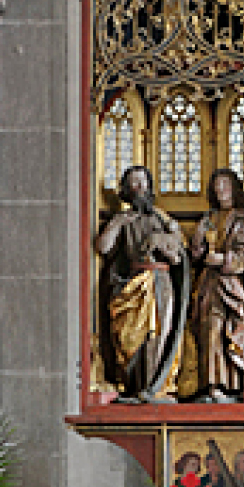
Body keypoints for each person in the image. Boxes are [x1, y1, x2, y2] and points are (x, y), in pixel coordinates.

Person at [94, 165, 189, 403]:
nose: (139, 187)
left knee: (160, 334)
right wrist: (116, 224)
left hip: (161, 281)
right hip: (134, 283)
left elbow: (178, 258)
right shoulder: (122, 219)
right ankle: (133, 386)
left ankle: (156, 388)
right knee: (131, 338)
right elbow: (103, 247)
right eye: (134, 182)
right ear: (127, 189)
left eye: (143, 182)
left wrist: (163, 241)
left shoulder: (162, 218)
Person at [184, 169, 244, 403]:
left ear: (234, 188)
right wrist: (198, 242)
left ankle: (230, 385)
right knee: (208, 329)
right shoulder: (209, 218)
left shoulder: (243, 219)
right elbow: (196, 254)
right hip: (209, 283)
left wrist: (224, 259)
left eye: (225, 185)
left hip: (231, 284)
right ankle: (210, 384)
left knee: (228, 328)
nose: (220, 190)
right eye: (217, 186)